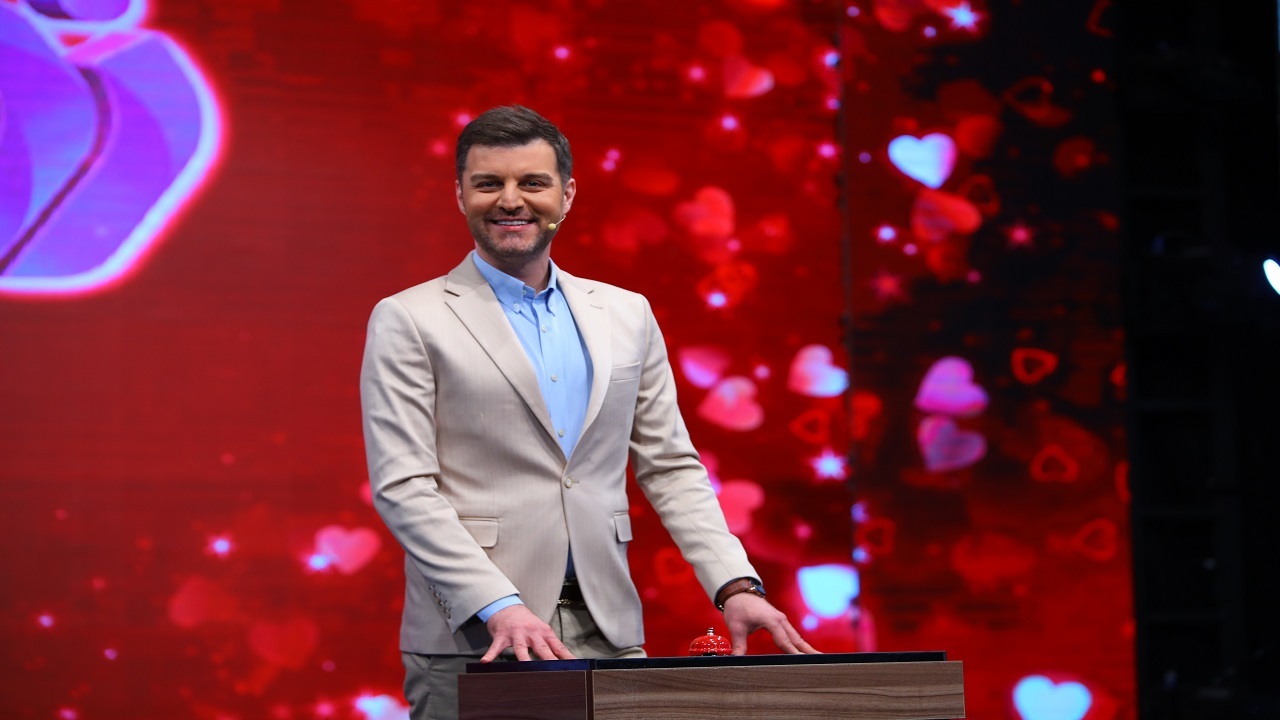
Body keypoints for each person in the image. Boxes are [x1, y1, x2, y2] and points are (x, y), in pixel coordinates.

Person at [359, 105, 817, 720]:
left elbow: (670, 466)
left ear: (567, 195)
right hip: (476, 633)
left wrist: (734, 583)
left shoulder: (626, 314)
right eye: (489, 183)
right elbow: (404, 487)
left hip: (609, 625)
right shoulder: (410, 318)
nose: (510, 200)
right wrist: (498, 604)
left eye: (533, 182)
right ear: (461, 195)